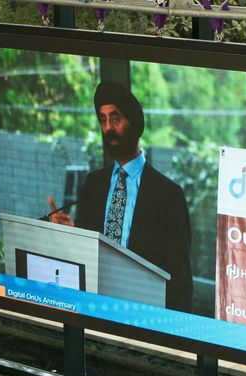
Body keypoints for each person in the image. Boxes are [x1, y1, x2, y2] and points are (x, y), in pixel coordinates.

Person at [48, 81, 193, 312]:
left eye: (115, 118)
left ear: (133, 123)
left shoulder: (168, 195)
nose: (108, 127)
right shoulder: (94, 184)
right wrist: (70, 233)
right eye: (103, 120)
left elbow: (181, 281)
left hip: (143, 316)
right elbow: (86, 254)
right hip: (93, 308)